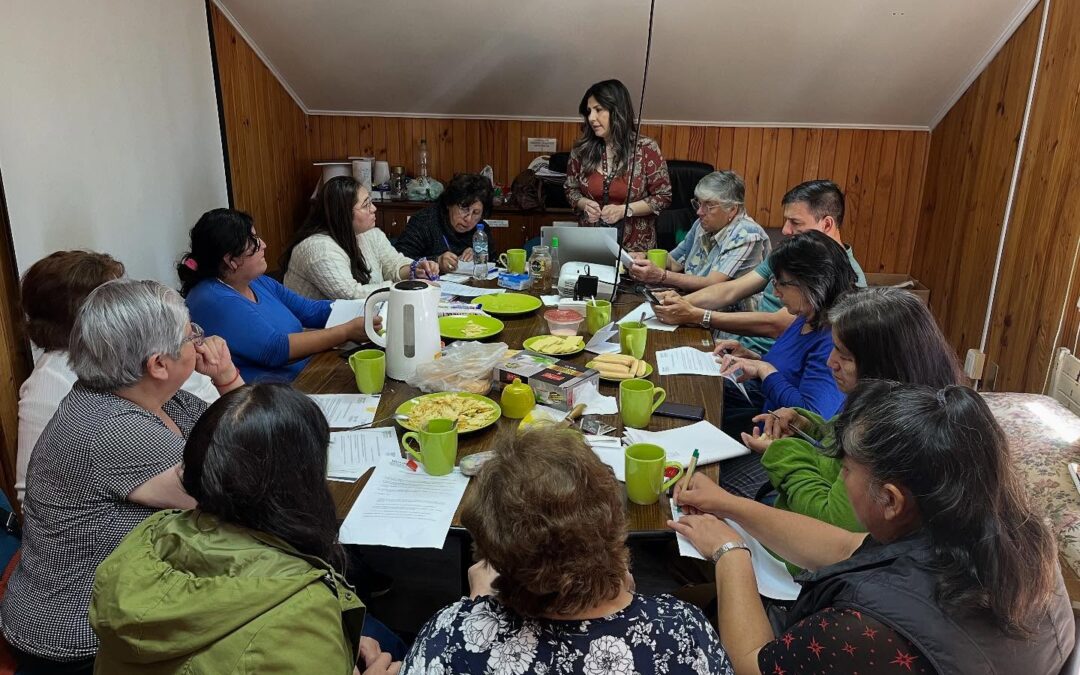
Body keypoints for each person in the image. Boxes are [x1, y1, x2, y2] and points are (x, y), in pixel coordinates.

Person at [671, 380, 1075, 675]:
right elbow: (849, 546)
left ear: (892, 499)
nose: (840, 476)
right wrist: (730, 506)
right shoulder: (1019, 535)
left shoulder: (864, 630)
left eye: (845, 469)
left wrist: (730, 553)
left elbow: (753, 665)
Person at [0, 279, 243, 673]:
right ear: (158, 364)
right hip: (77, 636)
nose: (200, 341)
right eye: (189, 334)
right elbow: (240, 495)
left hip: (127, 600)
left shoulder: (148, 395)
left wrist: (227, 377)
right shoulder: (114, 428)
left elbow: (246, 442)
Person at [90, 383, 401, 674]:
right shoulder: (301, 612)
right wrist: (317, 638)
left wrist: (334, 645)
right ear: (303, 482)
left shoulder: (153, 534)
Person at [403, 426, 731, 674]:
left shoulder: (447, 635)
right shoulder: (681, 629)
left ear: (492, 552)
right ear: (615, 525)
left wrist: (480, 609)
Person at [748, 288, 962, 536]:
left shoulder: (888, 434)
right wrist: (807, 425)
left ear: (884, 365)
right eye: (833, 348)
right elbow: (836, 450)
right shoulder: (884, 403)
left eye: (845, 356)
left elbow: (832, 526)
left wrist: (783, 453)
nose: (831, 362)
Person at [15, 251, 220, 505]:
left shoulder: (146, 381)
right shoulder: (74, 389)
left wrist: (227, 377)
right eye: (116, 295)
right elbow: (226, 498)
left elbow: (236, 436)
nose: (132, 298)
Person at [715, 231, 856, 498]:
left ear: (811, 283)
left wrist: (765, 370)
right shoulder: (808, 315)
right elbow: (790, 373)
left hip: (797, 448)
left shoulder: (832, 337)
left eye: (781, 283)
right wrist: (753, 359)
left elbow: (810, 415)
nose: (776, 292)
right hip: (769, 424)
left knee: (716, 483)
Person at [654, 180, 865, 355]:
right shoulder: (790, 252)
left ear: (827, 224)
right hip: (740, 348)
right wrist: (677, 303)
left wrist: (697, 315)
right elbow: (732, 289)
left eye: (795, 222)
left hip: (770, 362)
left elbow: (779, 324)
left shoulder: (848, 278)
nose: (785, 230)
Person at [180, 208, 378, 383]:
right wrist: (345, 332)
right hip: (267, 398)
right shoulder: (212, 298)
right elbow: (276, 350)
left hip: (304, 374)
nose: (264, 244)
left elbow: (310, 310)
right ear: (230, 260)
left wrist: (371, 304)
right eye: (254, 241)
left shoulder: (256, 281)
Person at [283, 175, 438, 301]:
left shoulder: (370, 234)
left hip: (357, 321)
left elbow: (393, 264)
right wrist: (406, 287)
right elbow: (351, 295)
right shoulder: (319, 249)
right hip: (317, 330)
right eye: (366, 205)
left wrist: (416, 270)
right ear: (343, 214)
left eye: (371, 201)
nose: (374, 208)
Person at [565, 79, 672, 251]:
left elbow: (663, 196)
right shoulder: (581, 150)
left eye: (598, 110)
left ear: (617, 111)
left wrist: (624, 210)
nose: (591, 118)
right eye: (589, 111)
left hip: (635, 250)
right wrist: (584, 204)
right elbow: (571, 190)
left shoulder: (645, 148)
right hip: (591, 245)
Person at [628, 170, 770, 297]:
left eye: (709, 206)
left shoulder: (747, 235)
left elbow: (712, 284)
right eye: (699, 203)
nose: (699, 212)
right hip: (695, 302)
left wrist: (661, 276)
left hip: (733, 316)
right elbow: (674, 261)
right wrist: (643, 259)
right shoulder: (701, 225)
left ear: (732, 209)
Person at [392, 173, 494, 273]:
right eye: (464, 209)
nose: (469, 219)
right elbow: (399, 261)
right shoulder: (424, 222)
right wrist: (437, 261)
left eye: (476, 213)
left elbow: (494, 260)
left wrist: (480, 255)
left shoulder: (481, 229)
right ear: (449, 204)